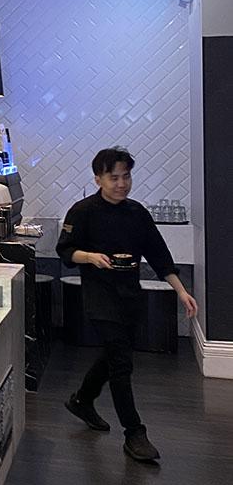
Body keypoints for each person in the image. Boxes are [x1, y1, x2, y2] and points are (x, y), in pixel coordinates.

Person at [55, 147, 197, 462]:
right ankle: (134, 433)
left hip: (130, 295)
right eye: (114, 177)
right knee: (122, 362)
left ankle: (82, 400)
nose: (122, 184)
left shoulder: (137, 213)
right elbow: (65, 252)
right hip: (99, 296)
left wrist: (181, 290)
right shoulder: (83, 212)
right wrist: (90, 257)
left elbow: (159, 255)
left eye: (126, 176)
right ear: (98, 178)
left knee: (113, 356)